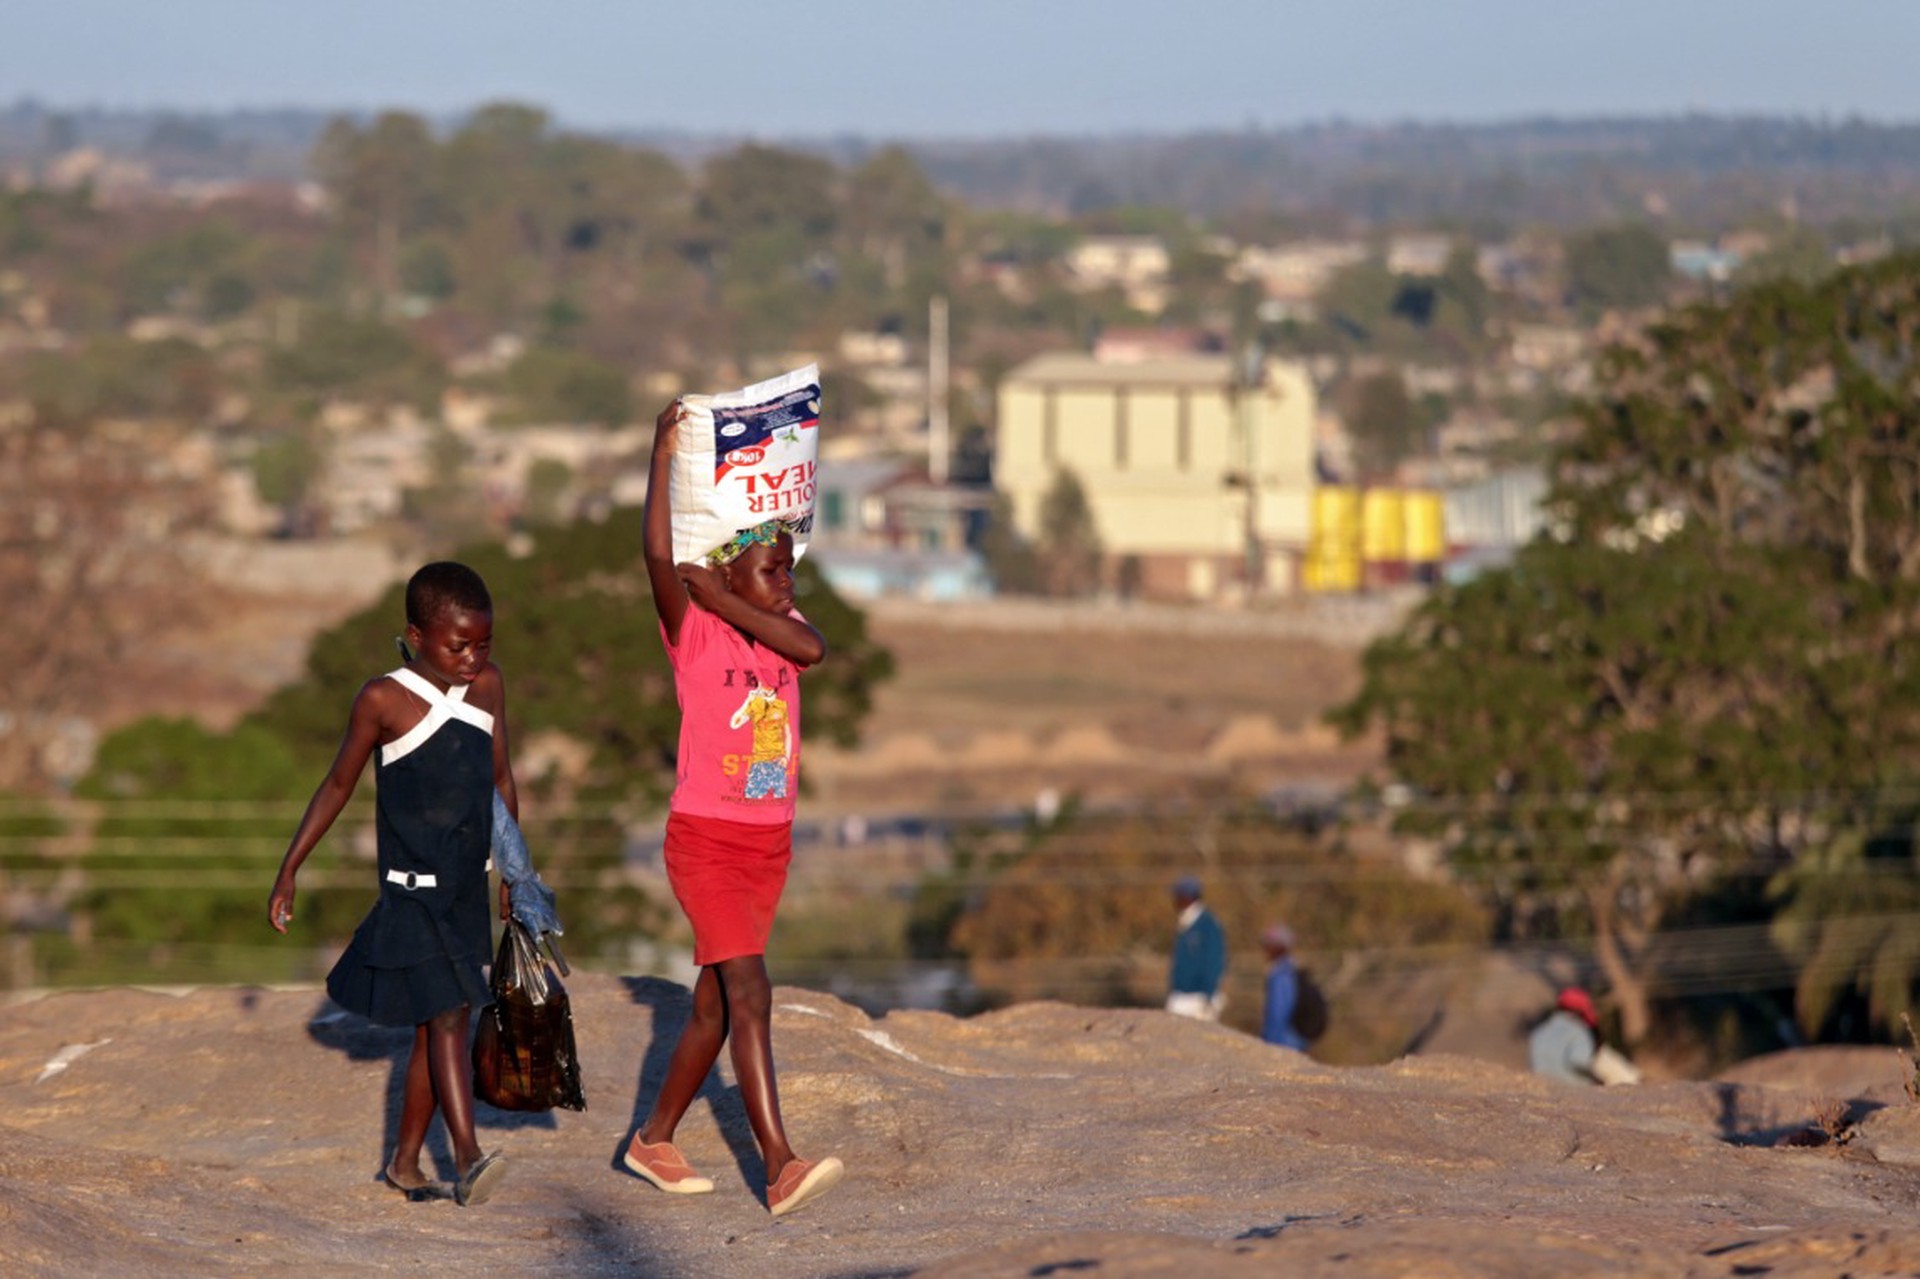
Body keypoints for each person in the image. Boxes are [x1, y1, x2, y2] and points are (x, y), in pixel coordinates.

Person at [622, 399, 844, 1219]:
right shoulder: (696, 635)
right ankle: (779, 1163)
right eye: (774, 569)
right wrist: (660, 452)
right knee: (749, 991)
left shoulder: (784, 630)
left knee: (715, 1006)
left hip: (767, 847)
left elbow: (814, 649)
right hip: (707, 843)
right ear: (728, 568)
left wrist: (728, 595)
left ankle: (652, 1140)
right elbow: (655, 549)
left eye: (790, 570)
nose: (788, 582)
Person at [268, 561, 517, 1207]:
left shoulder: (488, 687)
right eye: (457, 644)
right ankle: (467, 1155)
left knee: (436, 1026)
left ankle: (406, 1163)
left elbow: (501, 782)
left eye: (482, 643)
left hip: (466, 889)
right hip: (412, 892)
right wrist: (290, 866)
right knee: (448, 1016)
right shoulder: (382, 699)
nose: (472, 657)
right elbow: (337, 784)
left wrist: (515, 871)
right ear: (416, 633)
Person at [1528, 986, 1643, 1086]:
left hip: (1545, 1087)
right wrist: (1597, 1079)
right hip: (1575, 1089)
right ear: (1580, 1011)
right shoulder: (1579, 1031)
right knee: (1604, 1060)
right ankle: (1637, 1082)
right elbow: (1578, 1061)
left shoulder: (1538, 1032)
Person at [1165, 875, 1226, 1021]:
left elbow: (1214, 960)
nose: (1175, 901)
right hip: (1180, 994)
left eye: (1178, 896)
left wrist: (1208, 993)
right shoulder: (1186, 922)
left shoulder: (1207, 925)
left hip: (1197, 998)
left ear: (1187, 897)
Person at [1259, 924, 1308, 1050]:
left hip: (1285, 1041)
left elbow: (1277, 1013)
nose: (1265, 949)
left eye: (1269, 945)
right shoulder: (1292, 969)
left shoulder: (1281, 975)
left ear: (1279, 947)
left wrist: (1268, 1043)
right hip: (1296, 1038)